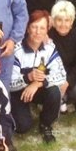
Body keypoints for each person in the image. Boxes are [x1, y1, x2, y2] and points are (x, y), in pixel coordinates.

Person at [9, 10, 67, 143]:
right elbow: (9, 84)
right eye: (34, 27)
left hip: (37, 89)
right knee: (22, 127)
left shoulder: (50, 48)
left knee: (54, 91)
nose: (38, 31)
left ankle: (46, 124)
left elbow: (61, 75)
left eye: (42, 28)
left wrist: (37, 84)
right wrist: (28, 78)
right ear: (28, 28)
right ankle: (19, 113)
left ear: (47, 30)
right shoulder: (17, 50)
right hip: (19, 92)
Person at [49, 0, 76, 113]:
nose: (63, 24)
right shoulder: (48, 35)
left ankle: (64, 99)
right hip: (51, 75)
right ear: (54, 20)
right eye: (59, 20)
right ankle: (54, 100)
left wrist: (67, 82)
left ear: (72, 21)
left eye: (67, 20)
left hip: (69, 74)